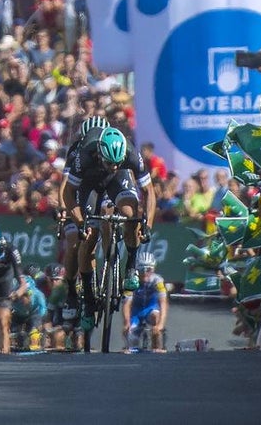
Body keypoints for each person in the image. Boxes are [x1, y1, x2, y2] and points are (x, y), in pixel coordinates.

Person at [63, 126, 154, 327]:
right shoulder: (85, 153)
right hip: (89, 183)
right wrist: (79, 222)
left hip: (118, 182)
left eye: (117, 162)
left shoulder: (130, 154)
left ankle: (130, 265)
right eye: (109, 162)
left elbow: (149, 191)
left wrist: (146, 223)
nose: (113, 166)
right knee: (88, 238)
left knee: (131, 216)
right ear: (98, 153)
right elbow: (68, 193)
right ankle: (87, 299)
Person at [57, 115, 109, 319]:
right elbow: (66, 184)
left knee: (93, 241)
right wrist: (63, 208)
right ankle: (71, 290)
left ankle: (103, 271)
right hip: (81, 192)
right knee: (74, 243)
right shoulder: (77, 151)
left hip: (102, 191)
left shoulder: (112, 146)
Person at [121, 251, 168, 351]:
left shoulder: (157, 280)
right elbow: (126, 304)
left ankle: (157, 345)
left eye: (149, 269)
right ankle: (131, 344)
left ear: (153, 269)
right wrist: (126, 322)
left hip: (151, 309)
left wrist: (161, 324)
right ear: (137, 270)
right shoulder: (131, 281)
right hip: (136, 312)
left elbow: (163, 302)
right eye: (141, 269)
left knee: (155, 319)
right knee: (130, 335)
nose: (145, 272)